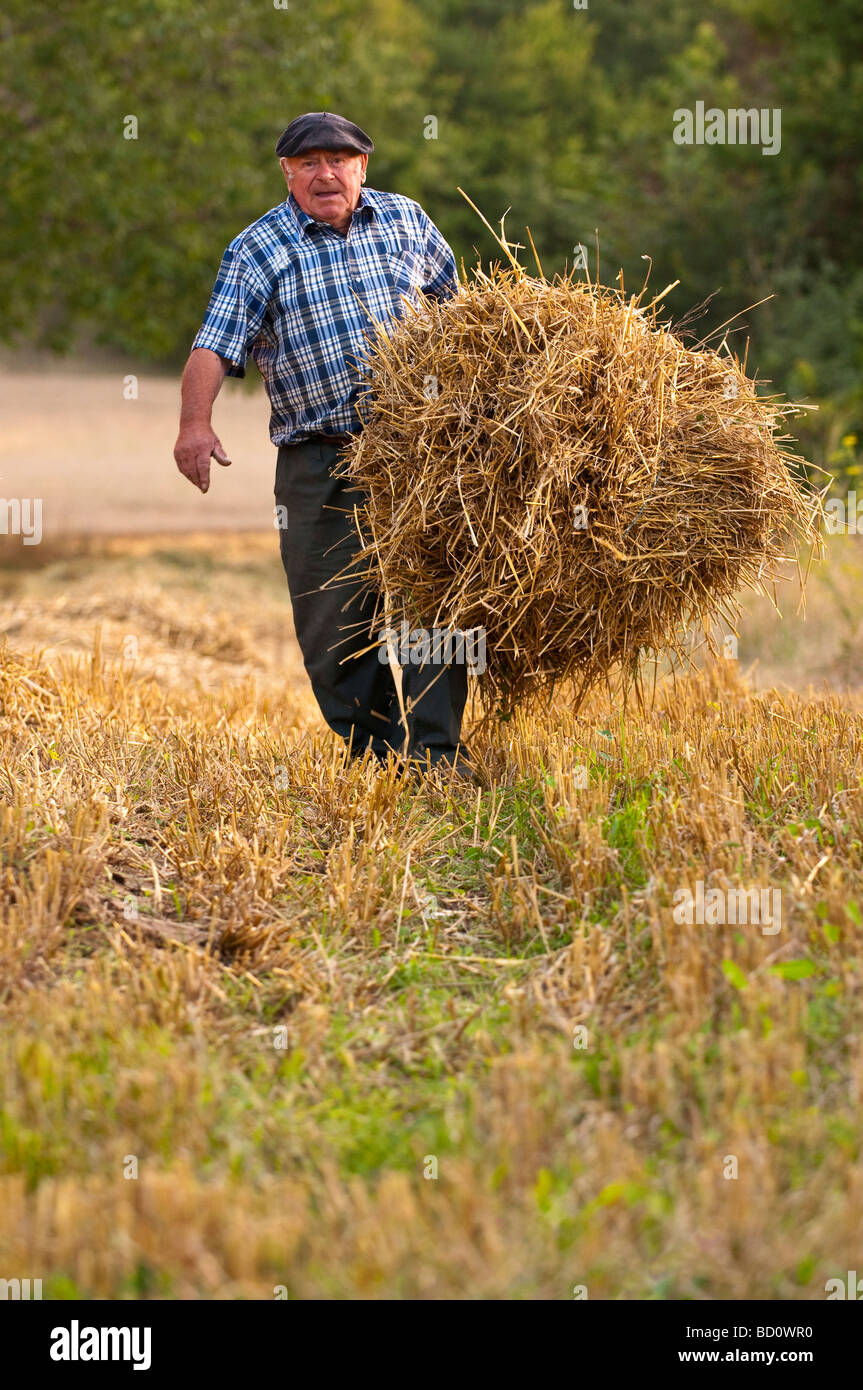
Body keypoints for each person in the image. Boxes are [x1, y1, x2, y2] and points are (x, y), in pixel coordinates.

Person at [173, 112, 473, 779]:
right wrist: (195, 424)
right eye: (308, 162)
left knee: (432, 606)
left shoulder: (406, 221)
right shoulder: (258, 248)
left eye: (340, 158)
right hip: (317, 459)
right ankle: (377, 760)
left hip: (414, 450)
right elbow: (214, 343)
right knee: (332, 625)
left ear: (363, 166)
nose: (326, 172)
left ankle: (437, 758)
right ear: (287, 173)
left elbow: (462, 317)